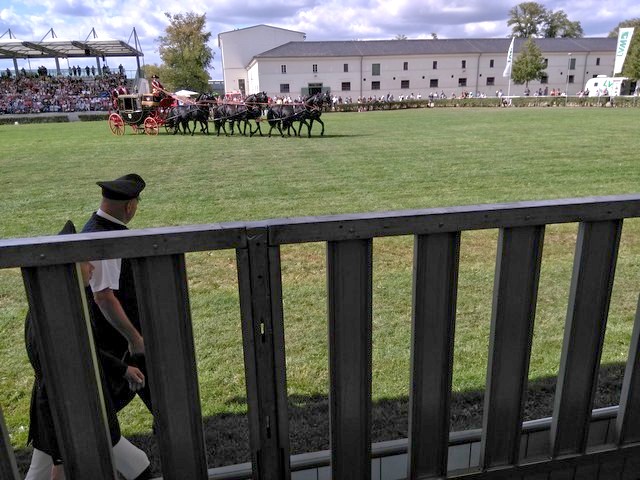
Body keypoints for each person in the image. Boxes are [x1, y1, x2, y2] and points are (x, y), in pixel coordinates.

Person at [24, 221, 152, 480]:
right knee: (138, 467)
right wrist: (61, 457)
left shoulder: (57, 303)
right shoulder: (58, 314)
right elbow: (52, 384)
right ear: (70, 267)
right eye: (86, 262)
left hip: (60, 418)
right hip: (76, 416)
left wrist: (122, 368)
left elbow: (84, 351)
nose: (92, 267)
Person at [81, 174, 153, 413]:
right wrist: (134, 338)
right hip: (118, 340)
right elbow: (104, 297)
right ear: (129, 206)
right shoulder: (106, 239)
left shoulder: (95, 228)